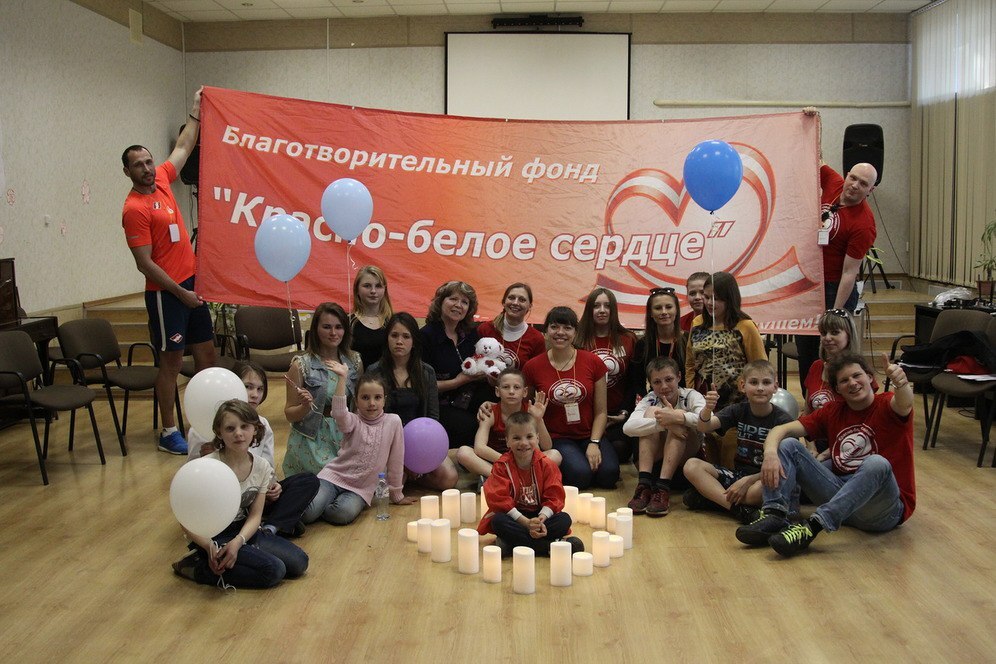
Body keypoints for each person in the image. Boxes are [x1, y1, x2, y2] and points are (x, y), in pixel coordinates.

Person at [735, 352, 915, 557]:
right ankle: (774, 515)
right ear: (837, 389)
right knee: (788, 444)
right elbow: (781, 430)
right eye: (844, 380)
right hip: (841, 500)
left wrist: (901, 383)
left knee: (876, 463)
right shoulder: (833, 411)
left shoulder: (887, 404)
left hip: (880, 511)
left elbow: (904, 403)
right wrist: (769, 455)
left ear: (870, 377)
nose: (852, 383)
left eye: (857, 376)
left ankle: (812, 527)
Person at [120, 87, 215, 455]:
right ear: (127, 171)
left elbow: (185, 146)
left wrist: (196, 110)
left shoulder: (162, 179)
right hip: (167, 295)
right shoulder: (134, 209)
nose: (147, 168)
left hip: (193, 286)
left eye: (148, 161)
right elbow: (144, 263)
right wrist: (180, 292)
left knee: (207, 356)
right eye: (138, 165)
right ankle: (168, 430)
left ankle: (210, 420)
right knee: (171, 364)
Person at [171, 400, 309, 589]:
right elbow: (185, 519)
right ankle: (197, 566)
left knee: (300, 562)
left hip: (243, 530)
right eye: (230, 428)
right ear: (219, 432)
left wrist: (239, 541)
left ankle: (242, 555)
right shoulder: (207, 467)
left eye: (244, 426)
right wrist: (209, 547)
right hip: (213, 536)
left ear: (255, 429)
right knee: (274, 571)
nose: (238, 433)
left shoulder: (261, 467)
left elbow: (255, 516)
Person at [795, 107, 879, 386]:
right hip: (812, 283)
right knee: (809, 351)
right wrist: (812, 122)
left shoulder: (864, 224)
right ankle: (812, 401)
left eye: (863, 184)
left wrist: (836, 312)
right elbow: (815, 156)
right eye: (853, 178)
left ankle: (839, 402)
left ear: (870, 190)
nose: (854, 185)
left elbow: (849, 273)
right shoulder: (834, 183)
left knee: (836, 356)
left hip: (835, 288)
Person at [188, 361, 319, 537]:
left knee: (308, 481)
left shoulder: (262, 424)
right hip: (222, 501)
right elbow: (191, 479)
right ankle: (274, 524)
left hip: (255, 495)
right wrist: (206, 457)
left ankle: (270, 527)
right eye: (248, 387)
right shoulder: (202, 427)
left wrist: (273, 486)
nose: (254, 395)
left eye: (260, 389)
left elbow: (267, 468)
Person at [302, 368, 415, 525]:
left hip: (360, 490)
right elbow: (339, 413)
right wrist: (342, 378)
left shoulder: (393, 421)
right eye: (365, 397)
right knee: (308, 513)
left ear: (384, 400)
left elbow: (396, 460)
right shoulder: (352, 421)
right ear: (356, 401)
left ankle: (321, 507)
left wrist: (397, 494)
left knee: (343, 514)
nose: (372, 403)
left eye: (377, 397)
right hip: (333, 478)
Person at [684, 360, 793, 523]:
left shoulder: (784, 420)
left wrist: (749, 480)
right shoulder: (738, 410)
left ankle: (714, 499)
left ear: (775, 387)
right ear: (743, 386)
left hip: (762, 479)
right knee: (691, 466)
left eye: (766, 382)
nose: (760, 388)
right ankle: (738, 509)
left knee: (765, 489)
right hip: (737, 475)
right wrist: (707, 409)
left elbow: (786, 468)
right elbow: (703, 427)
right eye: (754, 382)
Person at [523, 306, 616, 490]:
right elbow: (527, 407)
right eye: (554, 327)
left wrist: (594, 443)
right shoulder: (532, 367)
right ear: (545, 331)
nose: (560, 332)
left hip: (589, 434)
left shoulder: (593, 362)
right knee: (580, 476)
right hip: (557, 437)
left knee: (609, 474)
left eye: (567, 328)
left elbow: (601, 412)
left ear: (575, 332)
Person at [685, 271, 767, 467]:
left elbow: (760, 368)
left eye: (716, 298)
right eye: (706, 297)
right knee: (711, 462)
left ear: (730, 298)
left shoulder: (745, 326)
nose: (709, 302)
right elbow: (690, 363)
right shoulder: (697, 323)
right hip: (705, 404)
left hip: (736, 407)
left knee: (730, 463)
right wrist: (692, 393)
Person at [369, 312, 458, 491]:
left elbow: (432, 416)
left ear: (414, 341)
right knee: (390, 486)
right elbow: (370, 420)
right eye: (394, 335)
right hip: (387, 445)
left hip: (420, 443)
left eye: (406, 336)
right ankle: (405, 475)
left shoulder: (427, 372)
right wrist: (402, 461)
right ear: (387, 339)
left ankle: (415, 477)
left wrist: (420, 459)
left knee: (449, 478)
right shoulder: (374, 372)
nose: (399, 341)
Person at [476, 411, 583, 557]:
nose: (524, 443)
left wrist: (541, 519)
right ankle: (549, 547)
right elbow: (499, 499)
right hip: (515, 517)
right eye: (516, 438)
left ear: (537, 438)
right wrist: (526, 523)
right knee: (498, 521)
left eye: (529, 437)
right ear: (507, 441)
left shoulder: (547, 464)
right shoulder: (501, 466)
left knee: (564, 520)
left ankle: (511, 544)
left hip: (539, 516)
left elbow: (554, 495)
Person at [283, 302, 361, 476]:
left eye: (338, 327)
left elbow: (358, 405)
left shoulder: (355, 362)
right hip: (312, 439)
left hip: (346, 434)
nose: (333, 333)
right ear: (315, 329)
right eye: (326, 327)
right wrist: (305, 407)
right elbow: (289, 414)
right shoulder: (301, 365)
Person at [623, 357, 705, 517]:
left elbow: (708, 421)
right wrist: (665, 423)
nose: (664, 386)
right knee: (652, 412)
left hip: (687, 464)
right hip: (656, 466)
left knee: (677, 414)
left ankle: (663, 488)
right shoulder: (650, 398)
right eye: (657, 382)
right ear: (650, 384)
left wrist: (678, 418)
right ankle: (644, 485)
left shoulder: (691, 395)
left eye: (669, 379)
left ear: (679, 377)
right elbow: (627, 428)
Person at [420, 281, 489, 449]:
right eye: (453, 299)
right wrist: (458, 381)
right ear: (440, 302)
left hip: (468, 396)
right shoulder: (426, 336)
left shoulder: (471, 333)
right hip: (439, 403)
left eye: (464, 302)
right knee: (469, 425)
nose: (458, 305)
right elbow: (422, 386)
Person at [456, 368, 560, 478]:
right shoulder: (490, 412)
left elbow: (547, 446)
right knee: (464, 453)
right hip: (496, 458)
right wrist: (508, 461)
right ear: (497, 391)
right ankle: (506, 477)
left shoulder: (531, 411)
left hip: (524, 457)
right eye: (506, 387)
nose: (511, 391)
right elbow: (480, 448)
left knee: (555, 455)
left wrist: (538, 419)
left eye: (516, 387)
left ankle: (506, 478)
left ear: (525, 392)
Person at [575, 288, 638, 465]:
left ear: (614, 310)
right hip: (586, 415)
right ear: (589, 309)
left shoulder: (628, 338)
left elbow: (632, 382)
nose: (602, 310)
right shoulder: (577, 339)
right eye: (596, 306)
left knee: (620, 450)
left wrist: (623, 413)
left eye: (607, 306)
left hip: (617, 414)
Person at [630, 287, 686, 397]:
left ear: (676, 310)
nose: (664, 312)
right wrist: (650, 400)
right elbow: (636, 381)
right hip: (654, 401)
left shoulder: (688, 340)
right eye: (658, 308)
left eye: (669, 307)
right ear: (651, 313)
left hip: (686, 401)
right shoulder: (642, 344)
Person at [476, 283, 546, 369]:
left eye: (522, 300)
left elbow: (537, 372)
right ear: (503, 302)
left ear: (530, 306)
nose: (515, 303)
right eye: (511, 298)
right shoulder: (485, 329)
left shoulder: (537, 339)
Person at [350, 265, 394, 370]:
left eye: (378, 286)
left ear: (385, 290)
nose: (373, 291)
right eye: (367, 286)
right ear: (357, 290)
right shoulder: (348, 323)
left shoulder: (393, 322)